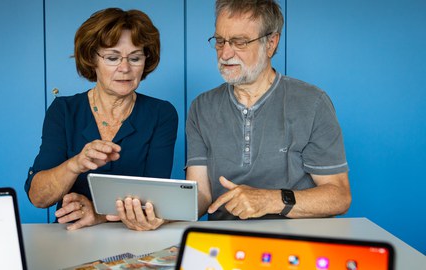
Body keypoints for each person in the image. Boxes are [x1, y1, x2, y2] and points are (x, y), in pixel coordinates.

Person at [185, 0, 351, 221]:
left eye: (240, 42)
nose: (224, 54)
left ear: (271, 43)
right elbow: (202, 195)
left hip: (296, 245)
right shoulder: (201, 107)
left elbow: (339, 196)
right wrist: (165, 213)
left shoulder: (313, 103)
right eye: (219, 41)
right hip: (225, 243)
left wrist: (270, 200)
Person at [25, 8, 178, 230]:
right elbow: (38, 198)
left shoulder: (161, 113)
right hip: (72, 233)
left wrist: (99, 214)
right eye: (113, 57)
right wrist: (75, 164)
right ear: (91, 58)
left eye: (135, 58)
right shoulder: (64, 110)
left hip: (135, 234)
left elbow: (155, 201)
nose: (125, 68)